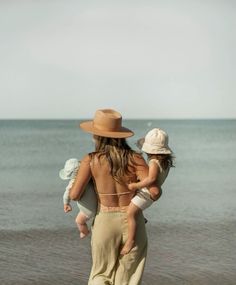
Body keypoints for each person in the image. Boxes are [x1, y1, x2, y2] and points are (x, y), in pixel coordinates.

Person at [69, 109, 162, 285]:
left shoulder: (91, 160)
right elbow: (154, 192)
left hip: (105, 221)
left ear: (98, 136)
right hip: (133, 221)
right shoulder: (135, 158)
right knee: (128, 277)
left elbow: (75, 195)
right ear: (120, 136)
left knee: (100, 274)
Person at [120, 128, 174, 255]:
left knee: (129, 213)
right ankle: (140, 216)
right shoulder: (165, 162)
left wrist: (135, 185)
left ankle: (130, 241)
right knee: (133, 205)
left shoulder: (154, 162)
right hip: (150, 194)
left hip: (147, 193)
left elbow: (151, 179)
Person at [59, 158, 97, 238]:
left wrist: (66, 203)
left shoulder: (74, 181)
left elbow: (67, 193)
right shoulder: (90, 176)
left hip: (88, 210)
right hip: (98, 205)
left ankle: (85, 232)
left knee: (79, 221)